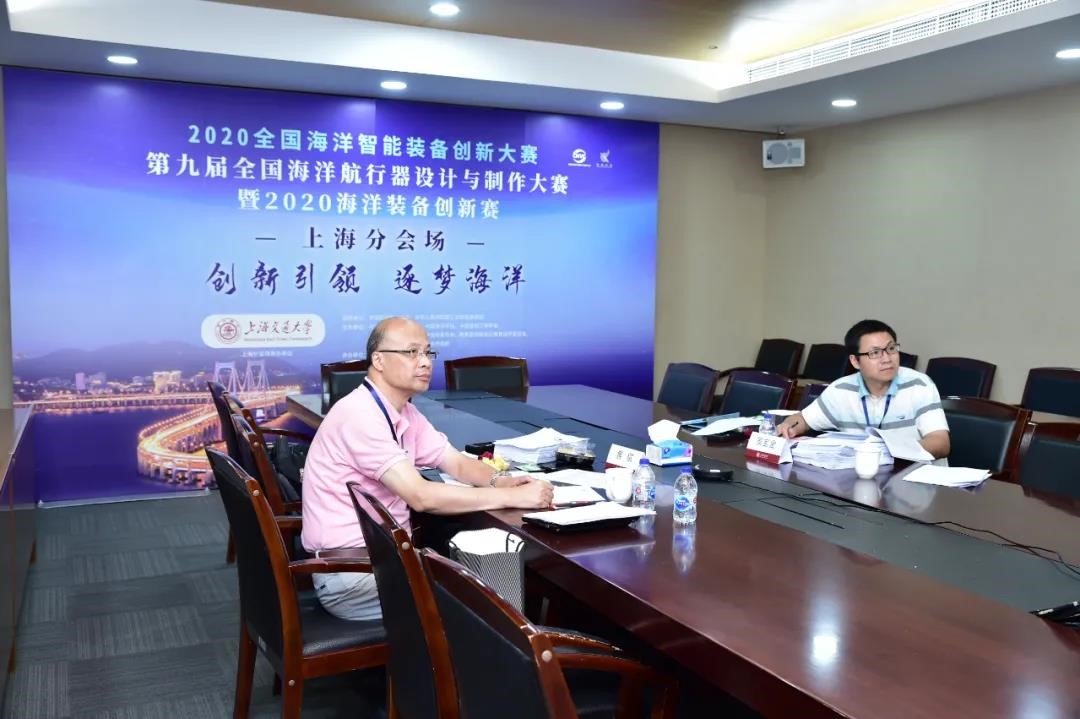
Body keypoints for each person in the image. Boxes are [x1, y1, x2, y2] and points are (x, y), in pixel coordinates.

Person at [302, 316, 553, 621]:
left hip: (384, 560)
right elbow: (421, 496)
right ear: (378, 360)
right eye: (412, 352)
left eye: (427, 352)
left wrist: (500, 481)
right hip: (353, 576)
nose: (424, 362)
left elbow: (455, 462)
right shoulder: (359, 415)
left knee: (490, 579)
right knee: (486, 592)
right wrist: (512, 499)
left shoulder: (403, 410)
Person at [776, 319, 950, 459]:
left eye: (891, 349)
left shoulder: (919, 385)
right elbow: (803, 419)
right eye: (875, 353)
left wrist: (890, 452)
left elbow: (941, 443)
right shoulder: (841, 390)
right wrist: (789, 425)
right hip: (865, 476)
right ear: (855, 361)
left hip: (914, 478)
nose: (887, 359)